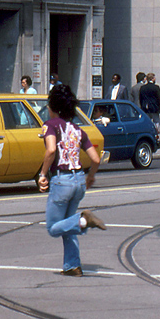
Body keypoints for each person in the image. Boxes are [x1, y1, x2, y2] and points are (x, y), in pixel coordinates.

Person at [37, 83, 106, 276]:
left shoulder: (50, 125)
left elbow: (51, 150)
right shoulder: (77, 130)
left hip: (62, 180)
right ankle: (72, 265)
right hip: (78, 181)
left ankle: (84, 220)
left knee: (53, 228)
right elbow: (95, 158)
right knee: (68, 224)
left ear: (54, 108)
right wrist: (90, 176)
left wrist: (42, 175)